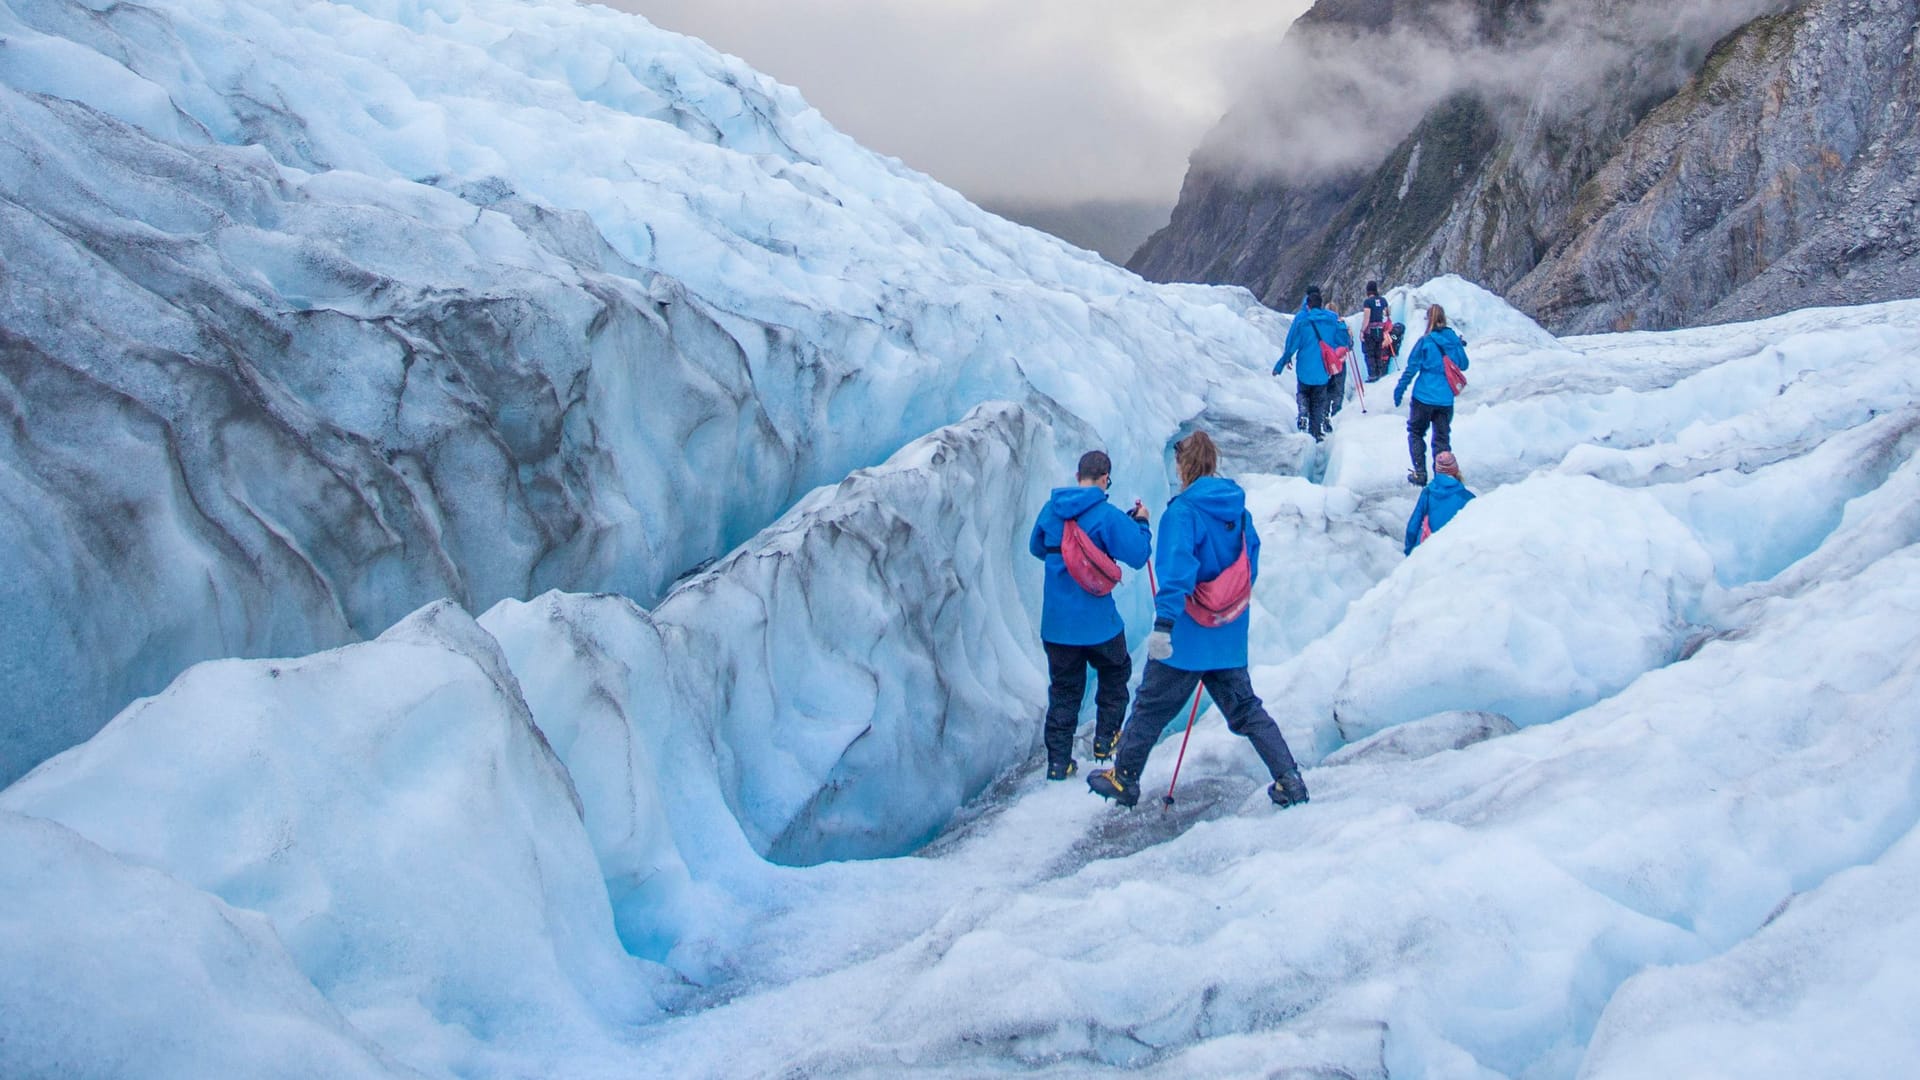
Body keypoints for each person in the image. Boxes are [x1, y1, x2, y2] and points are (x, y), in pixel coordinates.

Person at [1087, 432, 1309, 810]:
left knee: (1150, 707)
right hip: (1227, 633)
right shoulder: (1237, 511)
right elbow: (1248, 562)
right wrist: (1225, 602)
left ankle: (1124, 779)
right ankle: (1289, 779)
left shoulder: (1182, 512)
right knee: (1246, 709)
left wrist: (1164, 626)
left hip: (1185, 638)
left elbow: (1177, 572)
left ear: (1184, 466)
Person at [1029, 450, 1152, 780]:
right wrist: (1140, 523)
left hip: (1056, 625)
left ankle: (1058, 762)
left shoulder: (1050, 509)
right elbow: (1139, 555)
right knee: (1116, 671)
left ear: (1077, 476)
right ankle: (1105, 740)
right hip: (1099, 625)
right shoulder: (1106, 514)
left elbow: (1036, 548)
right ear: (1104, 478)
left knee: (1064, 691)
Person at [1393, 303, 1471, 486]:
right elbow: (1464, 364)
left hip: (1423, 397)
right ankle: (1442, 476)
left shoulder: (1425, 341)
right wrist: (1457, 347)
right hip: (1445, 399)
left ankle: (1420, 472)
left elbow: (1411, 368)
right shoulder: (1453, 339)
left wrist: (1399, 389)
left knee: (1416, 432)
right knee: (1442, 438)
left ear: (1428, 319)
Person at [1274, 286, 1354, 442]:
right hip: (1323, 371)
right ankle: (1316, 434)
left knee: (1303, 392)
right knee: (1318, 401)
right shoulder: (1331, 319)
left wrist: (1281, 364)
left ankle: (1303, 410)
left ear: (1308, 305)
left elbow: (1292, 344)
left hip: (1304, 368)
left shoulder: (1302, 321)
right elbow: (1343, 341)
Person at [1404, 452, 1475, 554]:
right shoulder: (1468, 498)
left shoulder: (1428, 493)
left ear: (1437, 471)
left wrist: (1409, 552)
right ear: (1456, 470)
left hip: (1425, 551)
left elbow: (1413, 526)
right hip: (1453, 555)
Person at [1361, 281, 1392, 382]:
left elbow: (1367, 318)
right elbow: (1388, 313)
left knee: (1370, 353)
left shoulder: (1368, 302)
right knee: (1379, 352)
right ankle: (1380, 372)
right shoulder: (1383, 300)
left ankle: (1372, 375)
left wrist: (1362, 331)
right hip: (1380, 329)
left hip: (1370, 331)